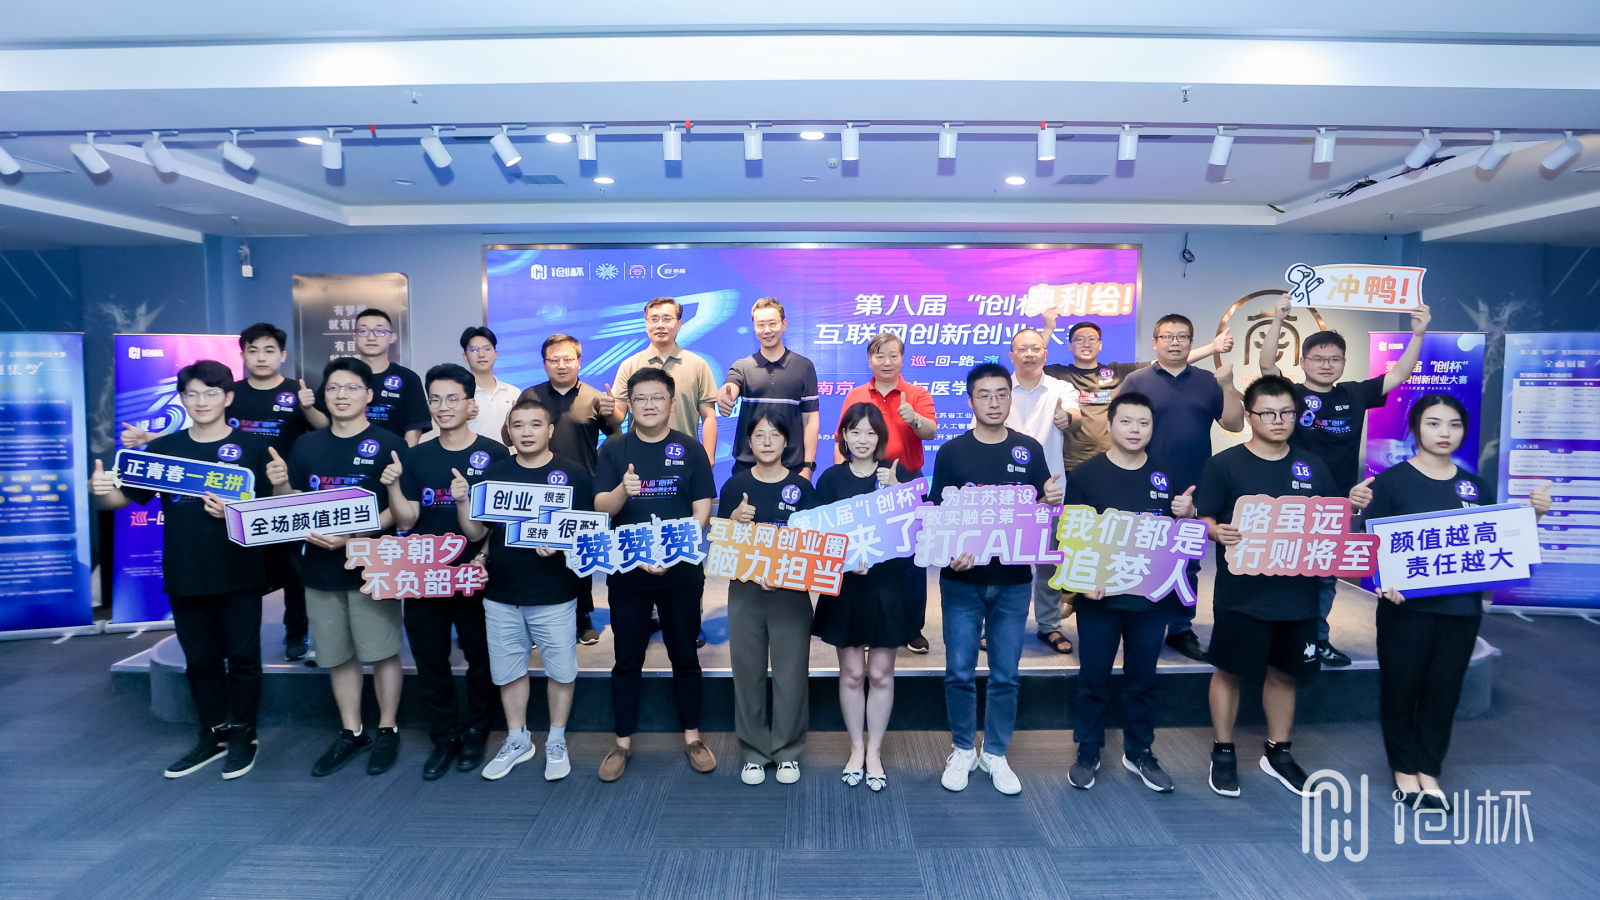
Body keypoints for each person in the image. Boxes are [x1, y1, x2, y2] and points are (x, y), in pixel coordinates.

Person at [1350, 393, 1550, 811]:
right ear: (1415, 428)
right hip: (1406, 610)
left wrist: (1533, 516)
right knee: (1401, 690)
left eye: (1454, 424)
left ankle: (1428, 769)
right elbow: (1368, 546)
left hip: (1461, 610)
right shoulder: (1389, 482)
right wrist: (1382, 581)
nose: (1445, 432)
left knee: (1444, 693)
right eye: (1434, 423)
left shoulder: (1475, 486)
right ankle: (1403, 769)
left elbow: (1496, 541)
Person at [91, 360, 271, 779]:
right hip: (185, 569)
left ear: (228, 397)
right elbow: (121, 500)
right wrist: (100, 491)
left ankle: (245, 735)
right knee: (200, 659)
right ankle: (212, 734)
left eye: (211, 393)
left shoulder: (254, 448)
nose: (201, 401)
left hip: (239, 570)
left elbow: (272, 512)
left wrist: (237, 511)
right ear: (182, 399)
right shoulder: (164, 449)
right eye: (192, 393)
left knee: (243, 658)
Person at [119, 322, 323, 661]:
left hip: (277, 491)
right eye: (253, 350)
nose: (261, 357)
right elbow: (202, 434)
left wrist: (309, 409)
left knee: (291, 568)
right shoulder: (229, 391)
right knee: (245, 573)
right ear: (242, 355)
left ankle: (296, 631)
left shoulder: (296, 392)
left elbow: (326, 431)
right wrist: (150, 439)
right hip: (229, 493)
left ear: (283, 355)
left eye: (269, 350)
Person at [1260, 295, 1433, 668]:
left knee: (1324, 576)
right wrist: (1277, 320)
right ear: (1303, 361)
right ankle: (1277, 638)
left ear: (1342, 363)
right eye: (1318, 358)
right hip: (1289, 502)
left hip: (1336, 503)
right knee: (1283, 572)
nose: (1326, 365)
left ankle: (1317, 639)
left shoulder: (1354, 394)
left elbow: (1399, 374)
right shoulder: (1292, 394)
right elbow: (1266, 363)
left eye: (1334, 359)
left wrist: (1418, 335)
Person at [1193, 374, 1333, 798]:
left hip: (1298, 593)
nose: (1278, 421)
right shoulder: (1225, 464)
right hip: (1242, 593)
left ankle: (1278, 751)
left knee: (1285, 674)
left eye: (1287, 413)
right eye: (1268, 413)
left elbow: (1330, 520)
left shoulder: (1312, 465)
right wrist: (1216, 531)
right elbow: (1204, 517)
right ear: (1250, 416)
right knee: (1229, 670)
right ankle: (1223, 751)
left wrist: (1354, 510)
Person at [270, 357, 409, 777]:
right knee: (336, 653)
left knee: (382, 650)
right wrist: (279, 482)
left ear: (369, 395)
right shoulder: (307, 445)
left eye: (351, 388)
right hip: (319, 568)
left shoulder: (389, 442)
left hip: (372, 568)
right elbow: (290, 504)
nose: (341, 395)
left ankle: (388, 728)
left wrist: (354, 537)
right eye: (333, 388)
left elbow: (399, 509)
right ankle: (352, 731)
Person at [933, 363, 1062, 796]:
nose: (993, 402)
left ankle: (995, 753)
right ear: (970, 401)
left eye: (1001, 394)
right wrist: (950, 553)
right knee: (959, 671)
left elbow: (1041, 508)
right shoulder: (952, 452)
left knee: (1006, 673)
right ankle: (963, 749)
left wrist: (1051, 500)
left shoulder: (1029, 448)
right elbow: (937, 516)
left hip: (1013, 582)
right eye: (984, 395)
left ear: (1011, 398)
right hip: (961, 582)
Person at [382, 363, 509, 779]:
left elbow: (497, 523)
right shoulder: (417, 455)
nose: (443, 406)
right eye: (435, 399)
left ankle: (475, 731)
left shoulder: (494, 454)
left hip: (475, 575)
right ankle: (444, 737)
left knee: (480, 657)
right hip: (424, 576)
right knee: (430, 659)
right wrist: (393, 485)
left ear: (471, 404)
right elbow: (407, 519)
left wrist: (483, 558)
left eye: (453, 398)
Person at [454, 398, 590, 782]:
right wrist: (463, 501)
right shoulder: (495, 474)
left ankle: (557, 740)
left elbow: (589, 532)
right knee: (508, 670)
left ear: (550, 430)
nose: (526, 432)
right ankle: (518, 739)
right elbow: (478, 532)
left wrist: (561, 543)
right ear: (509, 432)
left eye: (535, 424)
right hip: (501, 593)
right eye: (518, 425)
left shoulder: (575, 474)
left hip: (555, 593)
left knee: (561, 671)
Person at [1062, 392, 1192, 793]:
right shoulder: (1085, 475)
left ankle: (1139, 751)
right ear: (1110, 425)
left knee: (1143, 678)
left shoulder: (1167, 474)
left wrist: (1189, 515)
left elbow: (1180, 539)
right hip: (1099, 597)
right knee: (1093, 676)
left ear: (1152, 428)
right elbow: (1070, 536)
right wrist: (1080, 583)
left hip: (1151, 597)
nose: (1135, 430)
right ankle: (1088, 750)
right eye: (1126, 421)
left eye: (1143, 423)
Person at [593, 367, 719, 781]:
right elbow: (601, 508)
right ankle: (622, 742)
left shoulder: (690, 448)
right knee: (626, 658)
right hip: (628, 570)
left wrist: (675, 547)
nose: (649, 405)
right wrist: (622, 491)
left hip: (680, 570)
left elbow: (702, 507)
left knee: (685, 655)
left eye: (657, 398)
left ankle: (693, 738)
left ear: (672, 402)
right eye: (640, 399)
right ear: (629, 405)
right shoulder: (614, 448)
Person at [1121, 314, 1244, 663]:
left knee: (1187, 561)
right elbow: (1118, 428)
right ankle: (1140, 620)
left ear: (1191, 342)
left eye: (1182, 337)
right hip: (1144, 483)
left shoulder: (1208, 380)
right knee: (1142, 554)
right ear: (1155, 342)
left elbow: (1235, 424)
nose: (1174, 342)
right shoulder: (1136, 380)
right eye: (1167, 336)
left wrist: (1228, 386)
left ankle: (1180, 627)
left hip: (1194, 484)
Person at [812, 402, 921, 792]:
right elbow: (817, 537)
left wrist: (899, 493)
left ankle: (874, 751)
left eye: (870, 432)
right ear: (843, 435)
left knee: (881, 674)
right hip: (846, 589)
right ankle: (856, 749)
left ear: (881, 437)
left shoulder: (899, 473)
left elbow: (919, 530)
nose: (862, 439)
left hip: (888, 588)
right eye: (855, 431)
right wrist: (843, 561)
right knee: (853, 674)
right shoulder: (830, 479)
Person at [718, 411, 819, 785]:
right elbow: (721, 549)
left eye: (774, 435)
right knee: (747, 674)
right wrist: (733, 520)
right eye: (759, 435)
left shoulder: (802, 489)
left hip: (790, 596)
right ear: (748, 442)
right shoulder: (735, 486)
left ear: (786, 442)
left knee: (791, 675)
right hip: (745, 593)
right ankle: (754, 752)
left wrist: (785, 573)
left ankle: (787, 751)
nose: (766, 442)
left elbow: (814, 549)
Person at [833, 332, 937, 654]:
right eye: (880, 356)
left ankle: (913, 628)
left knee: (911, 555)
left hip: (905, 480)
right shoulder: (856, 394)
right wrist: (843, 480)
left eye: (893, 355)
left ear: (903, 359)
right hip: (865, 478)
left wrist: (914, 418)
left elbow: (931, 431)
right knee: (870, 554)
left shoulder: (916, 393)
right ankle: (869, 625)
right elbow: (841, 439)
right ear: (870, 360)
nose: (887, 362)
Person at [522, 333, 625, 645]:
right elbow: (509, 435)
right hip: (538, 489)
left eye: (568, 359)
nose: (561, 365)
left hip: (582, 488)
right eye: (554, 359)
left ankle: (582, 615)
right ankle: (538, 619)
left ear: (579, 362)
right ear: (544, 364)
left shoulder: (595, 398)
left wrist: (613, 414)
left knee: (579, 554)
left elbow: (616, 439)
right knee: (538, 555)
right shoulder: (530, 396)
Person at [1040, 312, 1231, 472]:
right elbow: (1033, 360)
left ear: (1100, 345)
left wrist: (1212, 348)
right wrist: (1048, 329)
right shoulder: (1059, 374)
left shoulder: (1117, 372)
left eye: (1092, 339)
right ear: (1069, 346)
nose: (1086, 344)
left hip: (1113, 459)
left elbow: (1167, 361)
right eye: (1079, 340)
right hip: (1072, 461)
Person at [1000, 327, 1080, 655]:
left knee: (1049, 563)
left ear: (1045, 353)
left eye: (1036, 348)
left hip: (1052, 489)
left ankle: (1049, 625)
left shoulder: (1061, 388)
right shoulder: (1000, 389)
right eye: (1022, 349)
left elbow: (1076, 416)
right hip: (1006, 491)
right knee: (1004, 562)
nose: (1029, 354)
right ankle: (1000, 626)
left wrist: (1067, 417)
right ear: (1012, 355)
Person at [718, 297, 820, 481]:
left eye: (772, 323)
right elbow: (730, 386)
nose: (766, 330)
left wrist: (808, 467)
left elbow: (810, 420)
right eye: (760, 324)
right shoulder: (742, 366)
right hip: (747, 468)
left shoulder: (804, 367)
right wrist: (725, 397)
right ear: (754, 327)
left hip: (791, 469)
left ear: (784, 324)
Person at [612, 297, 719, 463]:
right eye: (654, 319)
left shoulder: (698, 365)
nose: (660, 325)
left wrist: (708, 458)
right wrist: (607, 409)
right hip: (639, 457)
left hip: (685, 457)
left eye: (667, 319)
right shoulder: (630, 365)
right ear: (646, 324)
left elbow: (708, 415)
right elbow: (619, 415)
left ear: (679, 324)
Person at [315, 308, 430, 446]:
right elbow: (325, 423)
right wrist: (307, 407)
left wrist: (402, 457)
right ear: (354, 337)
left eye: (380, 331)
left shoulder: (408, 378)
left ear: (392, 337)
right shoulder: (339, 376)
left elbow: (414, 429)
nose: (371, 337)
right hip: (344, 453)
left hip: (392, 456)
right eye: (363, 331)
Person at [459, 325, 522, 442]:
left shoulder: (514, 392)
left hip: (508, 453)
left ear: (495, 353)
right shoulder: (459, 396)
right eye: (474, 350)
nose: (481, 355)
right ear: (465, 357)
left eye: (486, 349)